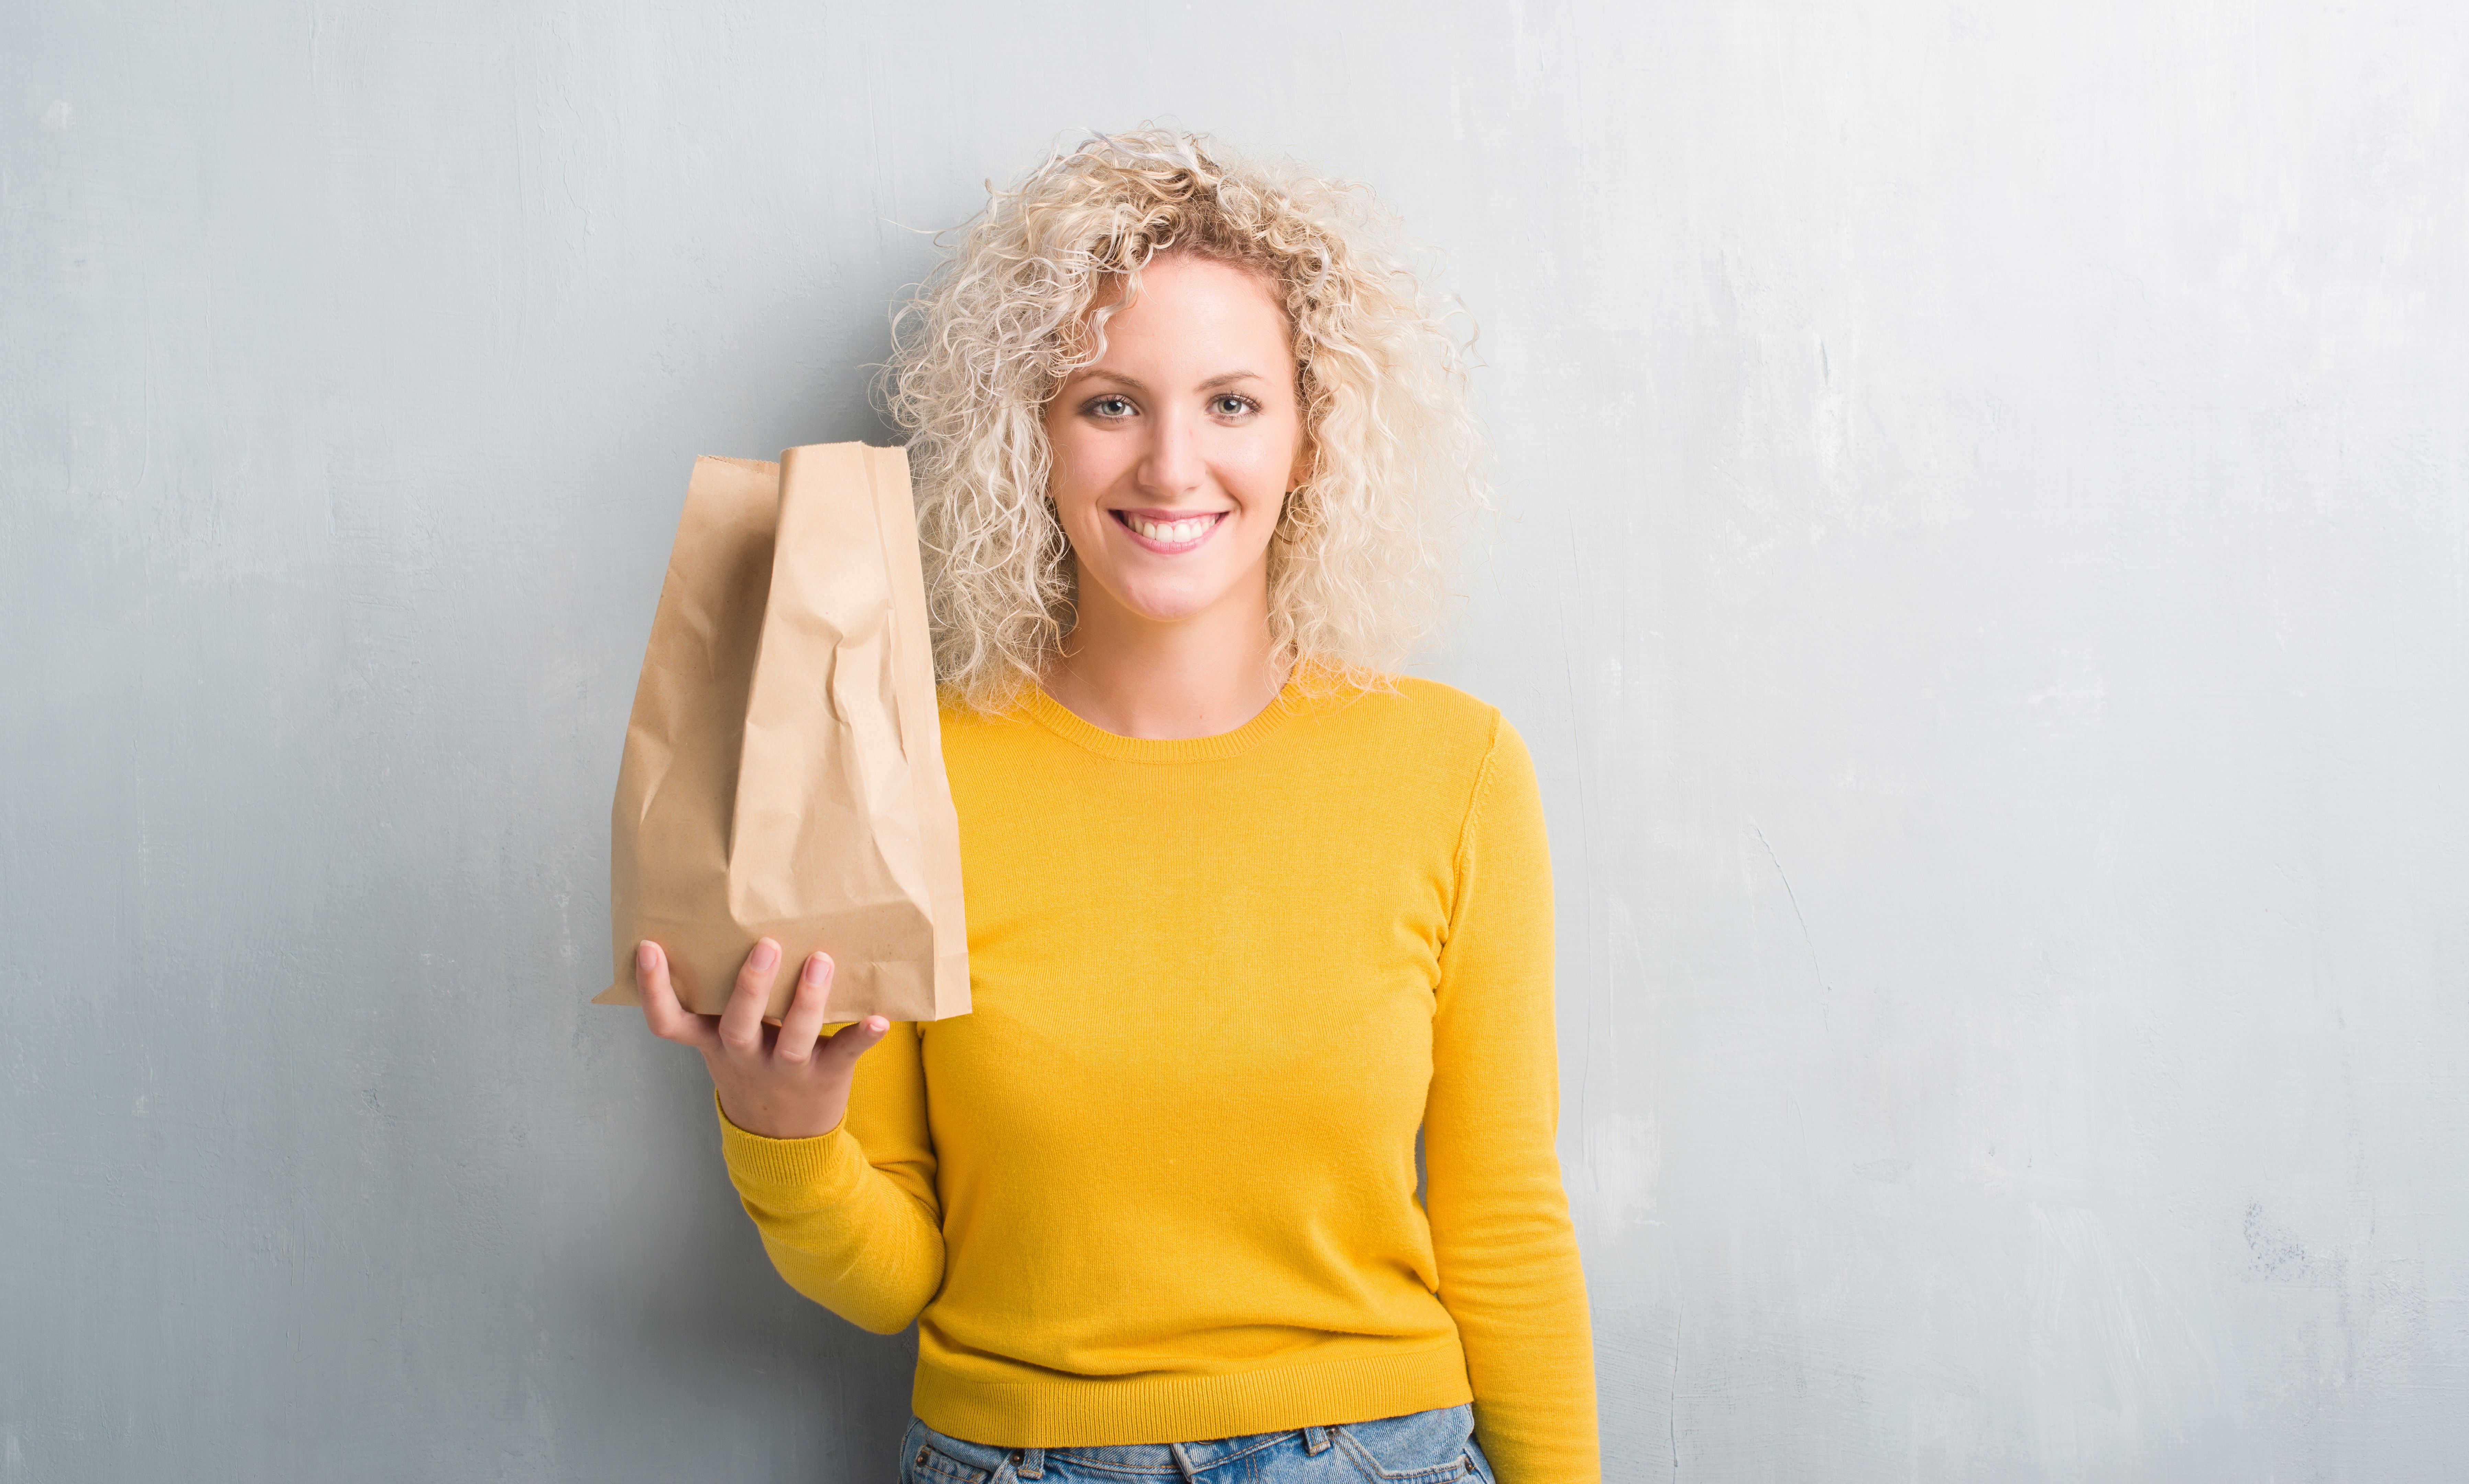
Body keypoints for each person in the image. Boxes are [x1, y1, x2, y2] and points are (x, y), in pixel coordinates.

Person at [631, 129, 1599, 1484]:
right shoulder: (908, 770)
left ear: (1313, 437)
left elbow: (1505, 1233)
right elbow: (896, 1275)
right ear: (1032, 433)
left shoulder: (1457, 771)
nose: (1170, 465)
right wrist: (780, 1132)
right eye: (1109, 403)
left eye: (1233, 404)